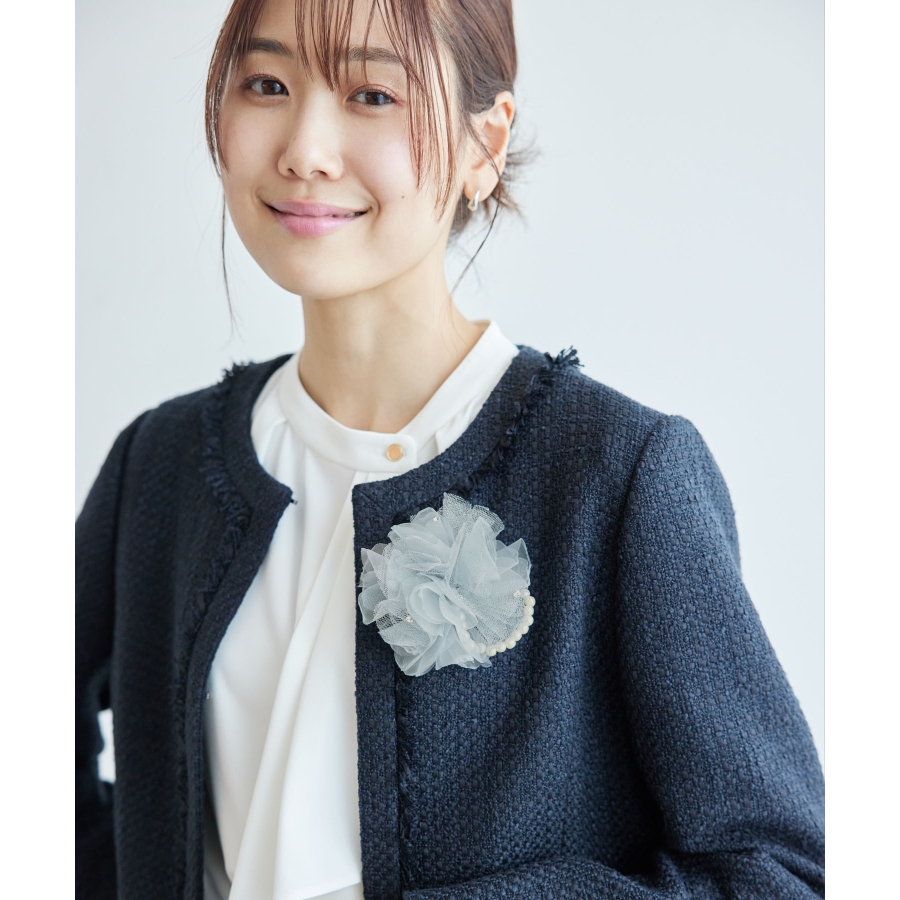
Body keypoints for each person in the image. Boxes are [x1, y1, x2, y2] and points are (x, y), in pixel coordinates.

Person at [75, 0, 825, 897]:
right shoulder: (160, 465)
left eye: (373, 95)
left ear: (484, 143)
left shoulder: (614, 474)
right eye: (267, 84)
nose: (305, 149)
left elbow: (776, 873)